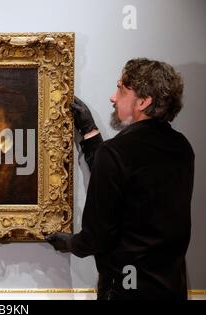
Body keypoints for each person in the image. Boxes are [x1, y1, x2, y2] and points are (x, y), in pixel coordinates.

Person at [46, 58, 194, 300]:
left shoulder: (115, 153)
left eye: (121, 90)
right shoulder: (181, 148)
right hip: (172, 290)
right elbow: (129, 179)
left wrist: (69, 243)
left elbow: (95, 238)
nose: (113, 98)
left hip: (125, 290)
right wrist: (91, 132)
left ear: (144, 101)